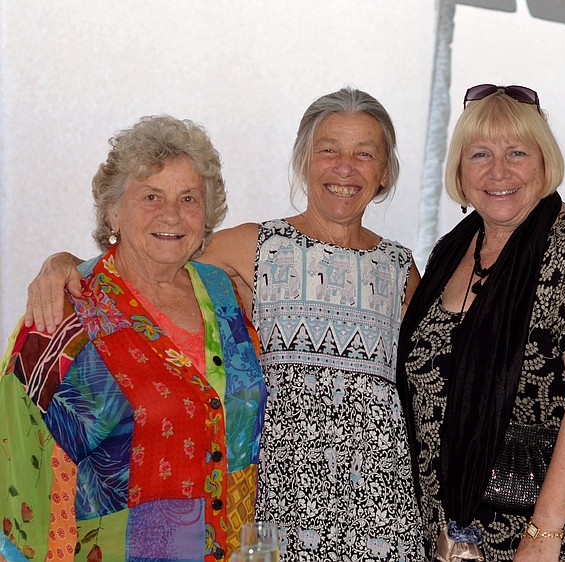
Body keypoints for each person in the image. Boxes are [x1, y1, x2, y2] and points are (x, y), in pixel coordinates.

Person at [23, 87, 426, 561]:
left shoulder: (401, 268)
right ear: (304, 161)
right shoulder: (254, 245)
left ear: (384, 172)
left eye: (365, 154)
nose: (345, 167)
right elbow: (146, 258)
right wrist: (62, 261)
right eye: (329, 150)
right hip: (281, 506)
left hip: (382, 508)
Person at [0, 115, 267, 562]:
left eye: (189, 198)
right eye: (150, 197)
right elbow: (18, 479)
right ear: (112, 211)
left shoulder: (222, 293)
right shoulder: (65, 312)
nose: (172, 214)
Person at [397, 84, 565, 562]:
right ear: (460, 168)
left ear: (545, 161)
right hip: (449, 541)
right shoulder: (449, 253)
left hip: (547, 542)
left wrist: (544, 533)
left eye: (517, 152)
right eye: (480, 154)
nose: (498, 172)